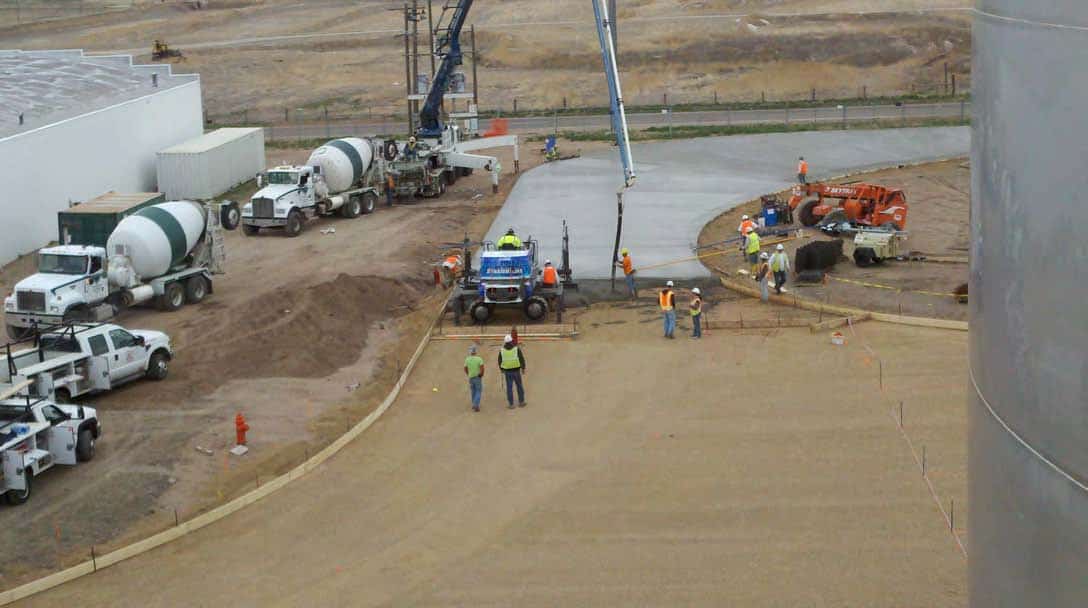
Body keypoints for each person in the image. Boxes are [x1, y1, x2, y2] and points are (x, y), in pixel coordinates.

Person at [498, 335, 526, 409]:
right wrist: (523, 368)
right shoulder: (516, 349)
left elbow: (499, 361)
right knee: (519, 386)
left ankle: (511, 404)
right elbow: (521, 358)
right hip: (516, 371)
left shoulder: (502, 350)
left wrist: (501, 369)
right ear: (511, 341)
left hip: (507, 372)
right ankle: (521, 402)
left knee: (509, 388)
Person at [464, 345, 485, 412]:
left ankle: (473, 404)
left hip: (471, 377)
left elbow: (465, 368)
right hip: (477, 377)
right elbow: (482, 368)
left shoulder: (467, 359)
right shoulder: (479, 359)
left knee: (473, 391)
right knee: (478, 391)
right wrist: (481, 374)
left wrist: (468, 374)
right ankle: (476, 405)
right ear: (475, 351)